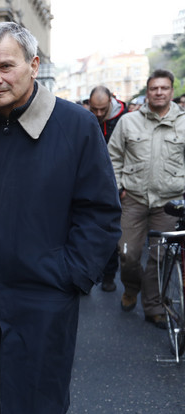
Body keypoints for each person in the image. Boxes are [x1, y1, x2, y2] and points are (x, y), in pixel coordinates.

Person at [0, 22, 121, 413]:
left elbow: (100, 213)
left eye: (5, 66)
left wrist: (70, 276)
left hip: (44, 301)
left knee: (37, 402)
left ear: (33, 64)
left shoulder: (77, 126)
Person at [108, 69, 185, 329]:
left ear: (171, 91)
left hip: (169, 202)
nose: (159, 92)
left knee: (160, 257)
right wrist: (118, 187)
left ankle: (153, 307)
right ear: (148, 91)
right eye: (154, 88)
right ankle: (131, 287)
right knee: (128, 253)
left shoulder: (183, 122)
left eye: (164, 88)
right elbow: (113, 157)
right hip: (134, 198)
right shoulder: (129, 122)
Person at [87, 86, 128, 292]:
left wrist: (122, 184)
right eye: (95, 109)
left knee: (110, 232)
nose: (99, 114)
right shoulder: (86, 119)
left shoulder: (125, 119)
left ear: (112, 101)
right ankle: (87, 274)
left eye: (103, 109)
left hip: (116, 187)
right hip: (90, 184)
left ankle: (109, 275)